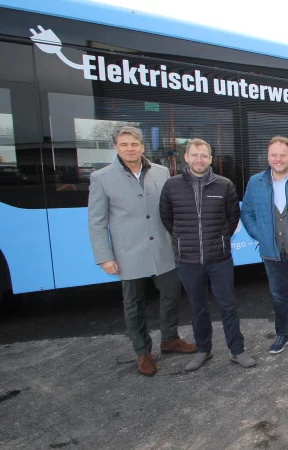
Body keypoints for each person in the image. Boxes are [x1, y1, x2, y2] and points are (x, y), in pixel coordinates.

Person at [88, 126, 196, 377]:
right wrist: (105, 257)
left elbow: (170, 208)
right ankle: (142, 351)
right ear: (116, 147)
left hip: (162, 247)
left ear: (142, 146)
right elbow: (96, 221)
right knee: (133, 304)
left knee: (171, 293)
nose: (130, 149)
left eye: (134, 144)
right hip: (128, 253)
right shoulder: (101, 178)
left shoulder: (160, 172)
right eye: (124, 145)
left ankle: (170, 339)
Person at [159, 138, 255, 371]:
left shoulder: (225, 185)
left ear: (211, 159)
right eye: (194, 155)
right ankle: (203, 349)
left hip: (219, 259)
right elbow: (167, 218)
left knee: (228, 306)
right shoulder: (172, 186)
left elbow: (232, 219)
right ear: (186, 158)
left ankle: (237, 350)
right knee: (197, 308)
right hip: (188, 261)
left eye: (204, 155)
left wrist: (220, 239)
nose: (199, 159)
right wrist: (186, 241)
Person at [241, 136, 288, 354]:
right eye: (274, 155)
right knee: (278, 296)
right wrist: (259, 235)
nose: (278, 159)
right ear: (268, 157)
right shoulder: (256, 182)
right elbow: (247, 212)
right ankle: (283, 334)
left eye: (283, 155)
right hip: (272, 253)